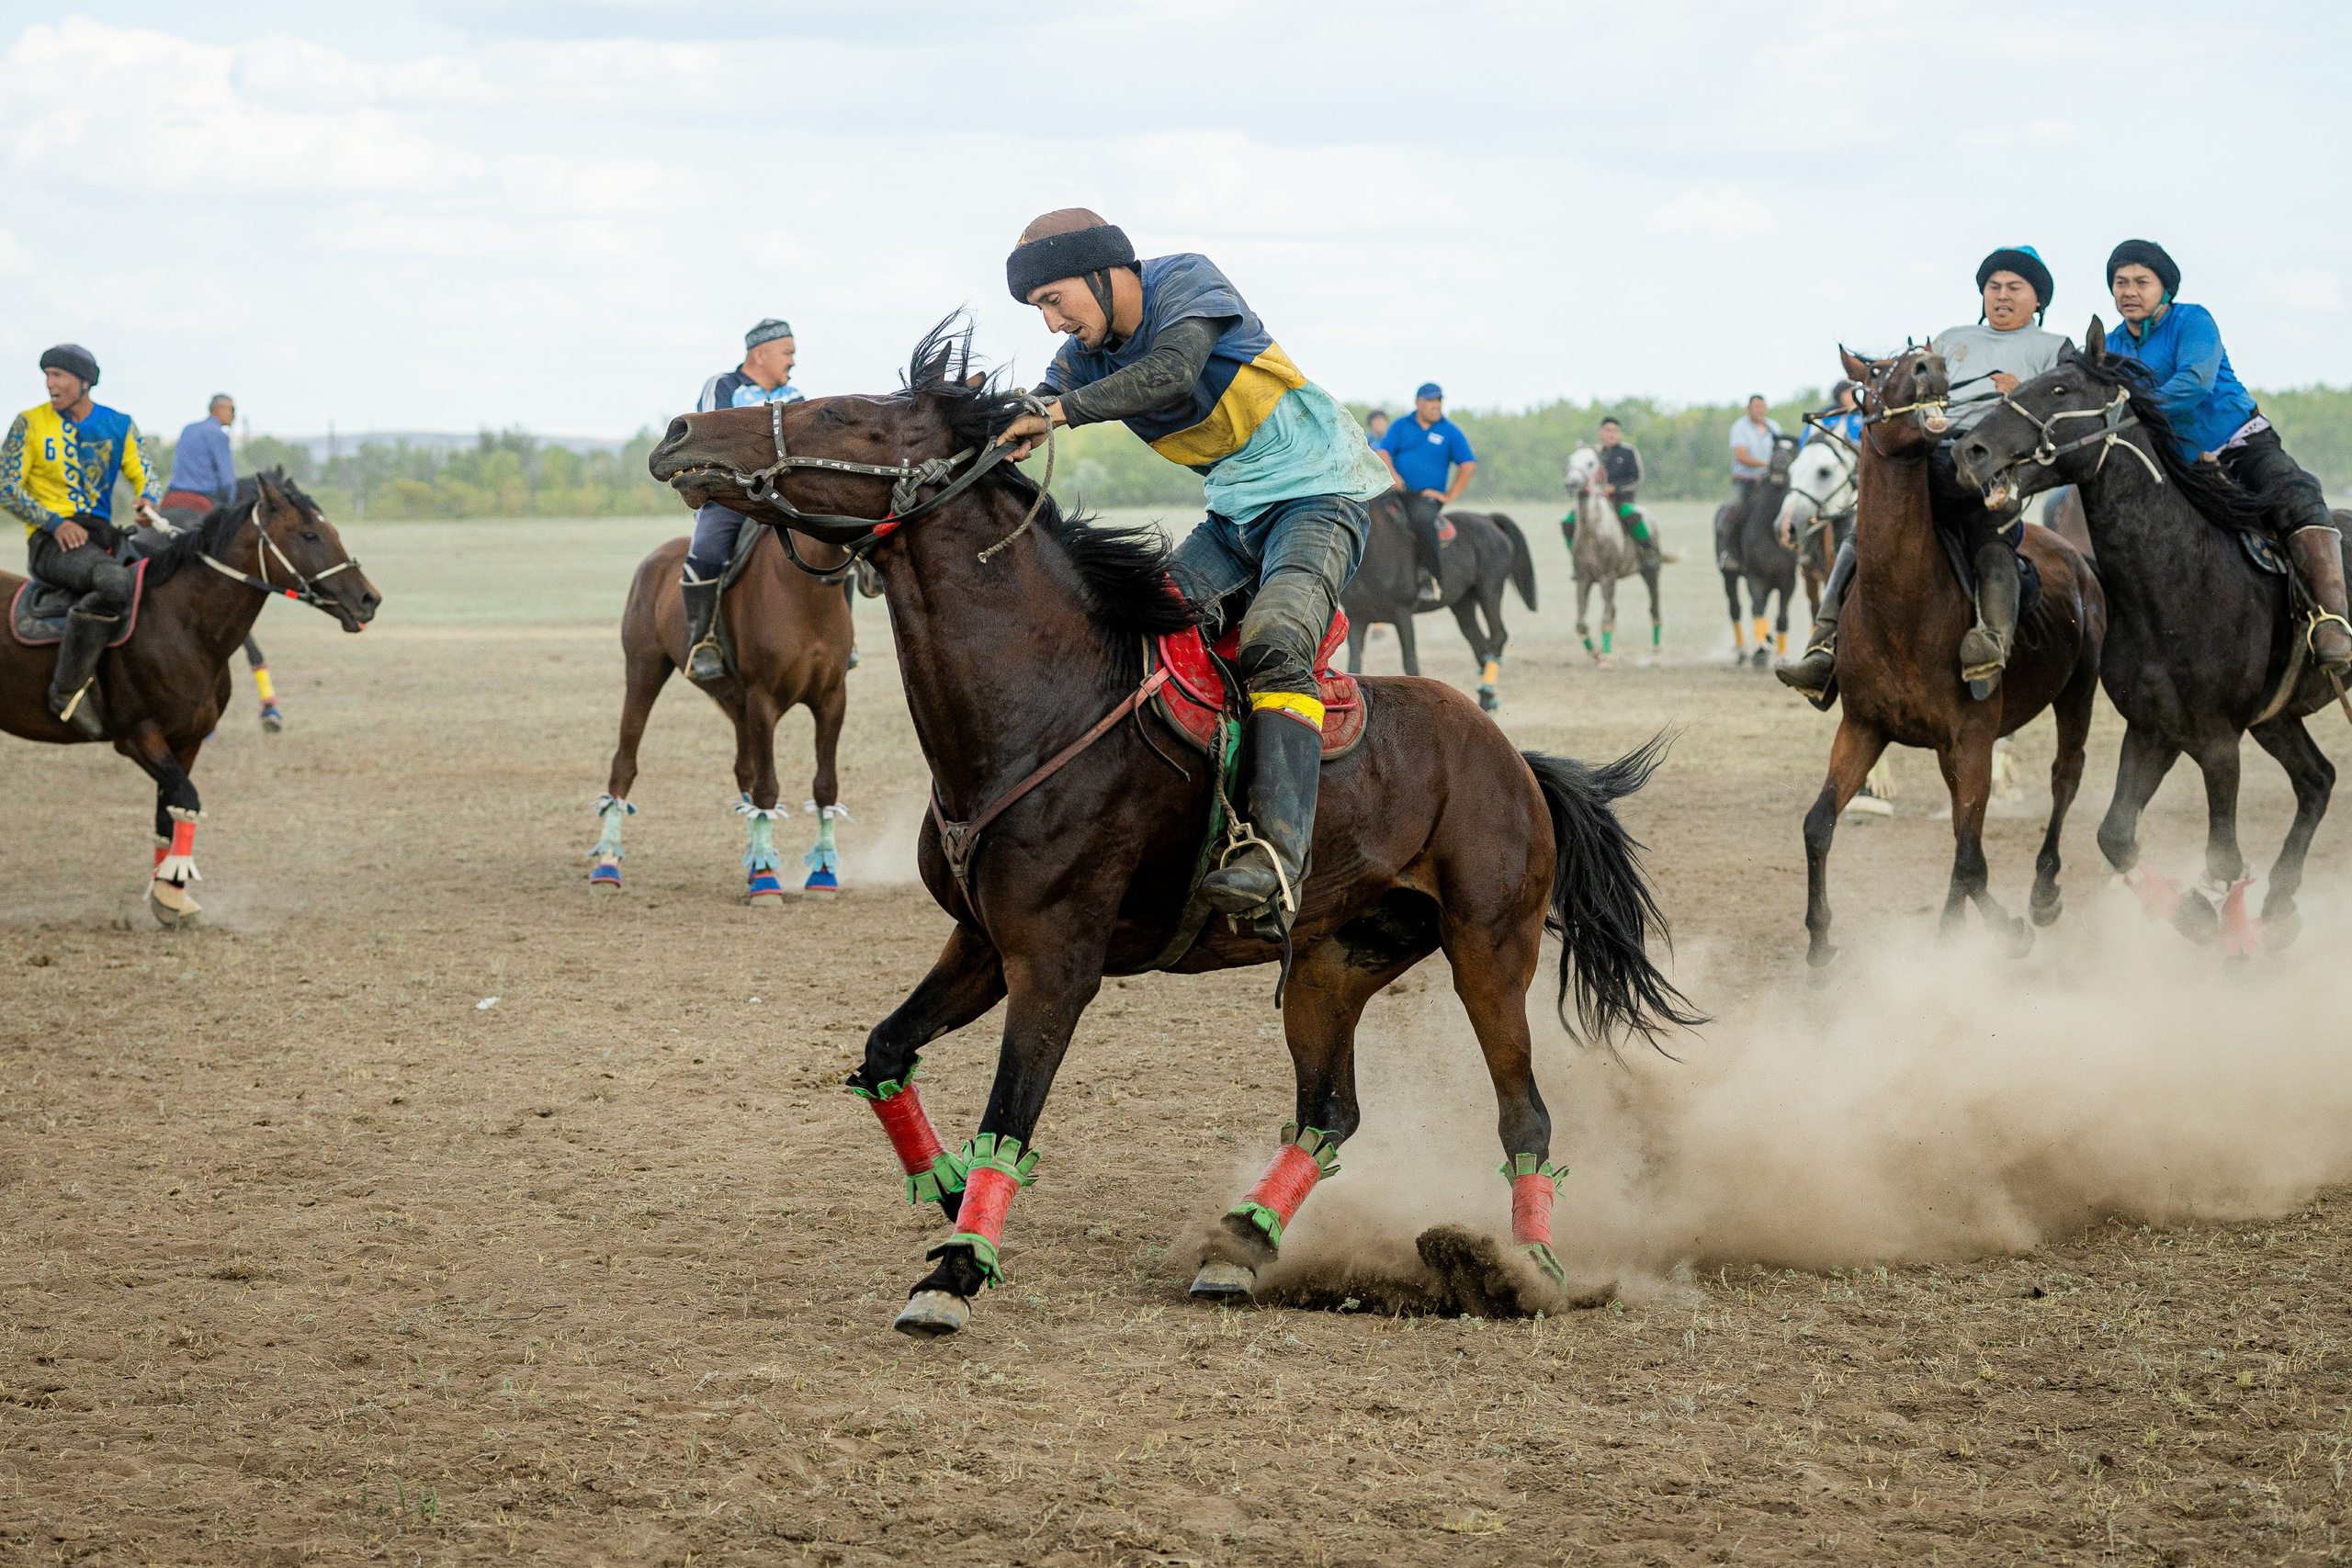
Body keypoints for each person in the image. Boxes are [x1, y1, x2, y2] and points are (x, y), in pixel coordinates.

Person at [996, 209, 1392, 935]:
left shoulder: (1187, 279)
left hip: (1320, 495)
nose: (1051, 324)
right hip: (1234, 519)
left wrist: (1060, 414)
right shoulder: (1082, 358)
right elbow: (1036, 402)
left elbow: (1171, 369)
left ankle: (1277, 858)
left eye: (1053, 299)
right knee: (1132, 629)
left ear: (1102, 271)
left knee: (1276, 641)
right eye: (1038, 309)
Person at [1779, 246, 2068, 701]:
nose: (2002, 296)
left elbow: (2064, 416)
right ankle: (1822, 649)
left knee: (1991, 541)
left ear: (2038, 300)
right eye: (1994, 287)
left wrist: (2025, 393)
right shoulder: (1951, 339)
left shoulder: (2053, 349)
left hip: (1997, 471)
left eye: (2015, 288)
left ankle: (1991, 644)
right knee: (1863, 534)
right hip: (1934, 458)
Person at [2102, 239, 2350, 671]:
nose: (2129, 291)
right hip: (2180, 463)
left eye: (2141, 281)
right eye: (2120, 282)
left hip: (2242, 442)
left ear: (2166, 288)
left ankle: (2333, 621)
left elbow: (2194, 382)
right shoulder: (2111, 344)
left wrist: (2134, 409)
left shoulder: (2193, 320)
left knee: (2299, 494)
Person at [0, 344, 164, 738]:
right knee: (113, 584)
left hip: (104, 539)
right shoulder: (29, 423)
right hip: (51, 544)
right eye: (48, 375)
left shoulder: (119, 424)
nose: (50, 383)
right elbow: (6, 487)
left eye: (59, 376)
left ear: (84, 382)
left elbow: (145, 473)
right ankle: (67, 693)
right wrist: (54, 523)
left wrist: (148, 499)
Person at [683, 318, 802, 682]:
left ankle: (844, 640)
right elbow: (707, 439)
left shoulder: (795, 398)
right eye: (788, 353)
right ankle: (702, 641)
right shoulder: (722, 387)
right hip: (732, 499)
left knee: (835, 544)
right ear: (760, 354)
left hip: (786, 498)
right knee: (706, 554)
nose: (794, 362)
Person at [1374, 383, 1477, 607]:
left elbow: (1468, 463)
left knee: (1421, 520)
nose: (1436, 406)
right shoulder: (1401, 425)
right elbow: (1383, 451)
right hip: (1395, 491)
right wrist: (1393, 475)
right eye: (1431, 401)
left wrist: (1450, 496)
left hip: (1425, 497)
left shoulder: (1449, 431)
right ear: (1418, 403)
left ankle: (1430, 578)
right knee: (1368, 513)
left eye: (1439, 401)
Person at [1561, 416, 1659, 568]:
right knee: (1567, 521)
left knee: (1632, 515)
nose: (1611, 434)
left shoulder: (1628, 452)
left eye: (1615, 430)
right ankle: (1576, 556)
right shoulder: (1594, 454)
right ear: (1601, 433)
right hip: (1595, 500)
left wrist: (1615, 488)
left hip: (1621, 500)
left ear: (1619, 433)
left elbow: (1636, 478)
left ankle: (1648, 552)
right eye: (1608, 430)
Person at [1719, 395, 1783, 570]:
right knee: (1729, 514)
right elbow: (1741, 456)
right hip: (1745, 483)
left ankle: (1798, 553)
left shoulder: (1774, 427)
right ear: (1748, 409)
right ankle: (1728, 554)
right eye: (1756, 406)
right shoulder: (1740, 427)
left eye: (1762, 406)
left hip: (1770, 484)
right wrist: (1768, 465)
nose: (1760, 410)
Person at [164, 394, 238, 511]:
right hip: (205, 495)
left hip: (173, 492)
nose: (234, 415)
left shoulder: (188, 429)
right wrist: (232, 503)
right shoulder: (218, 434)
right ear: (218, 409)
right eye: (232, 410)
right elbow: (228, 481)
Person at [1804, 380, 1864, 448]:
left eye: (1855, 392)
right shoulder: (1823, 417)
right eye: (1848, 392)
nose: (1853, 395)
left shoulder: (1864, 416)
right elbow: (1806, 442)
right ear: (1839, 395)